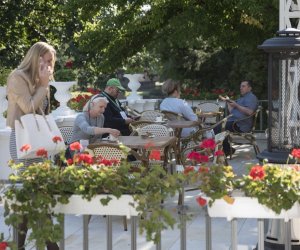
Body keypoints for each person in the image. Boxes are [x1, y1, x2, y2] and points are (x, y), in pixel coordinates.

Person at [6, 42, 59, 250]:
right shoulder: (17, 77)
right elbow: (28, 107)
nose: (47, 65)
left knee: (30, 198)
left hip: (38, 144)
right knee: (37, 195)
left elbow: (41, 113)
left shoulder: (40, 80)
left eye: (50, 62)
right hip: (22, 144)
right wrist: (44, 85)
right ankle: (52, 246)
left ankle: (18, 246)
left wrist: (43, 84)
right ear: (33, 57)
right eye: (43, 60)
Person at [214, 80, 258, 156]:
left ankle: (226, 150)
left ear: (249, 88)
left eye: (243, 86)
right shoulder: (242, 98)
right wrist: (228, 102)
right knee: (217, 126)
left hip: (241, 125)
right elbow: (232, 112)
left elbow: (250, 112)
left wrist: (236, 105)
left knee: (218, 128)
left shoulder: (251, 97)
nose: (241, 88)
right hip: (235, 122)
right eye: (240, 86)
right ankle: (226, 149)